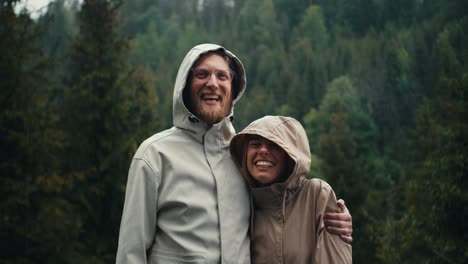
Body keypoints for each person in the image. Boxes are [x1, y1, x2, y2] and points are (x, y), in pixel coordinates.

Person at [116, 44, 352, 264]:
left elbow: (277, 204)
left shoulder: (243, 158)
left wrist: (331, 219)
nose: (212, 83)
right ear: (184, 86)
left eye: (222, 76)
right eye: (201, 74)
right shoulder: (153, 156)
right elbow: (131, 252)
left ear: (233, 89)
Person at [229, 115, 352, 263]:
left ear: (291, 156)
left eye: (274, 145)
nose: (263, 150)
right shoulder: (238, 200)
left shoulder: (316, 195)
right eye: (255, 144)